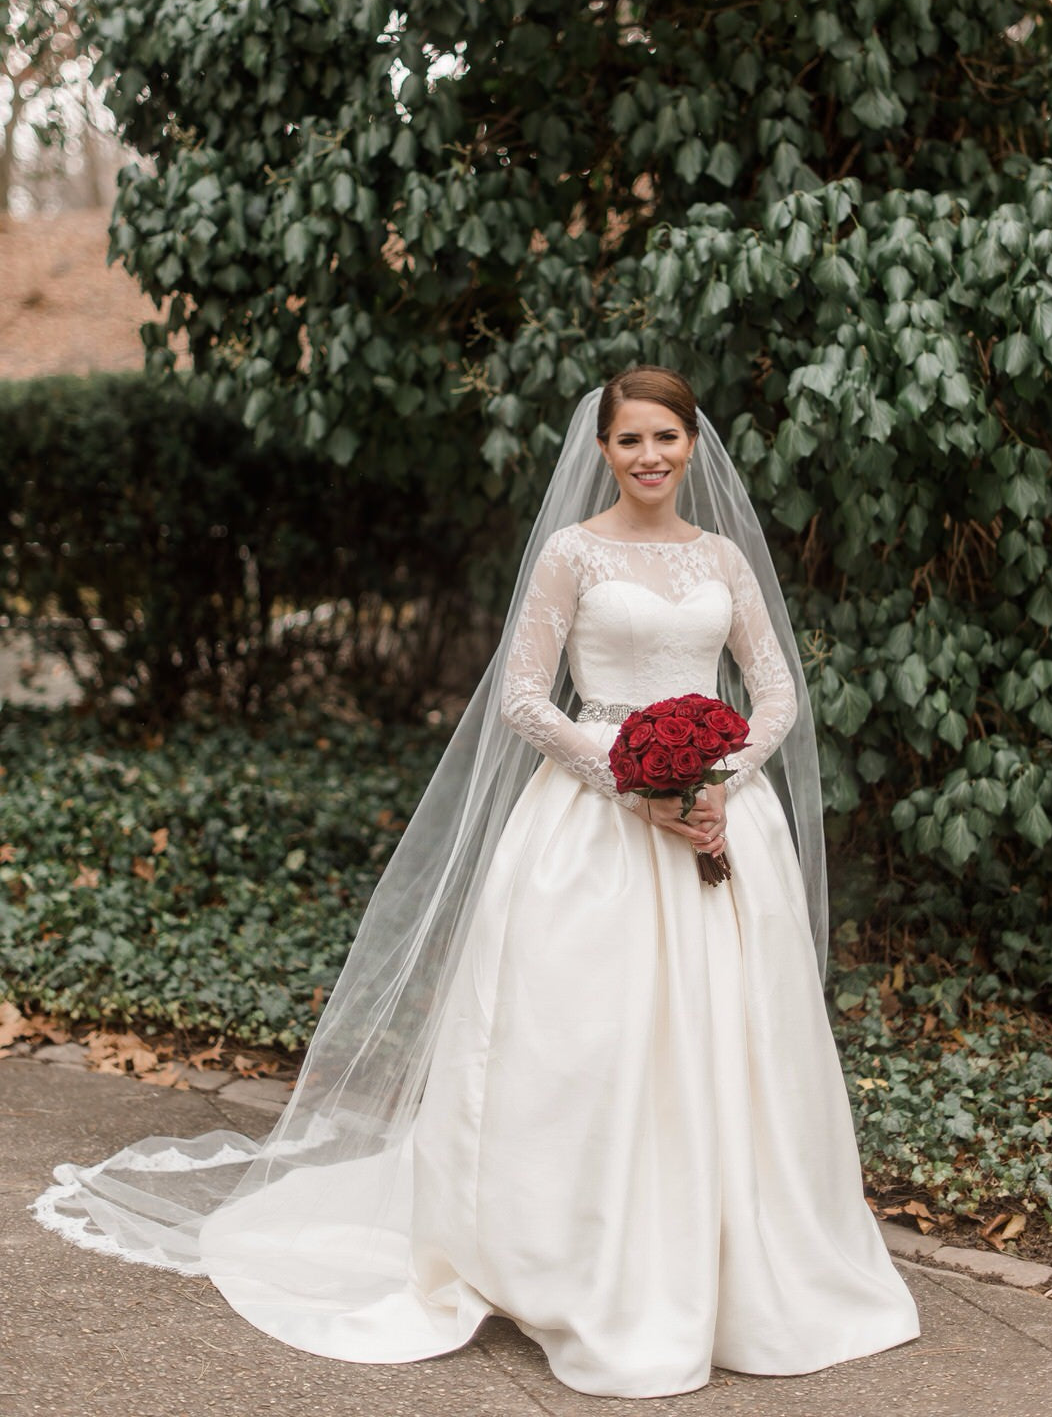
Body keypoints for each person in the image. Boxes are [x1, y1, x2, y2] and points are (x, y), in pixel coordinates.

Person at [34, 367, 919, 1398]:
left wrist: (723, 776)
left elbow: (773, 687)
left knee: (733, 1044)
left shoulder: (722, 556)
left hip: (722, 825)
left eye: (666, 437)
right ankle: (573, 1256)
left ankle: (740, 1265)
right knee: (589, 1045)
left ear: (691, 443)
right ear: (603, 448)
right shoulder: (572, 553)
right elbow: (522, 699)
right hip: (594, 831)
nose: (650, 456)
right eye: (630, 439)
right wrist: (631, 774)